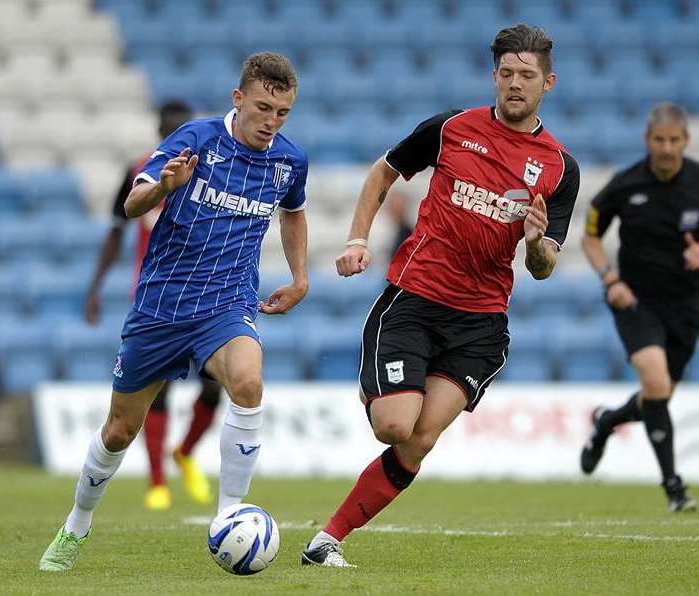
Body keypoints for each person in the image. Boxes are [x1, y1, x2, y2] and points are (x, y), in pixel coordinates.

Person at [301, 24, 580, 567]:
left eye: (527, 75)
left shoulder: (559, 168)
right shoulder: (453, 128)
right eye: (506, 73)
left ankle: (327, 540)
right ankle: (381, 388)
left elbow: (545, 266)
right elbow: (383, 172)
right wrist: (358, 239)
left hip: (481, 321)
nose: (515, 84)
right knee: (394, 424)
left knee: (417, 441)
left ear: (548, 82)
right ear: (493, 75)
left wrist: (535, 246)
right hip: (416, 299)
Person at [40, 51, 309, 572]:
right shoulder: (196, 140)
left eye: (282, 114)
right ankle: (76, 523)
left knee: (249, 384)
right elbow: (131, 205)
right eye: (261, 109)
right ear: (238, 98)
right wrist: (164, 186)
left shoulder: (289, 161)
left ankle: (230, 514)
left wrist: (300, 277)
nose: (270, 123)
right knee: (119, 430)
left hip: (227, 304)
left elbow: (293, 214)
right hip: (162, 305)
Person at [84, 99, 223, 511]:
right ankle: (158, 481)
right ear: (162, 129)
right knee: (155, 395)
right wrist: (95, 287)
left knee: (215, 389)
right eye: (173, 127)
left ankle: (184, 452)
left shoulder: (211, 167)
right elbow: (116, 229)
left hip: (204, 296)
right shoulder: (140, 171)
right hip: (155, 294)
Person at [579, 102, 698, 513]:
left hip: (687, 304)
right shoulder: (624, 185)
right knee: (656, 383)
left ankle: (607, 422)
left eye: (675, 140)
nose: (667, 148)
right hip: (636, 301)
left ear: (686, 141)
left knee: (657, 394)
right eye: (659, 140)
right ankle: (674, 489)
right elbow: (590, 236)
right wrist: (610, 279)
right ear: (647, 140)